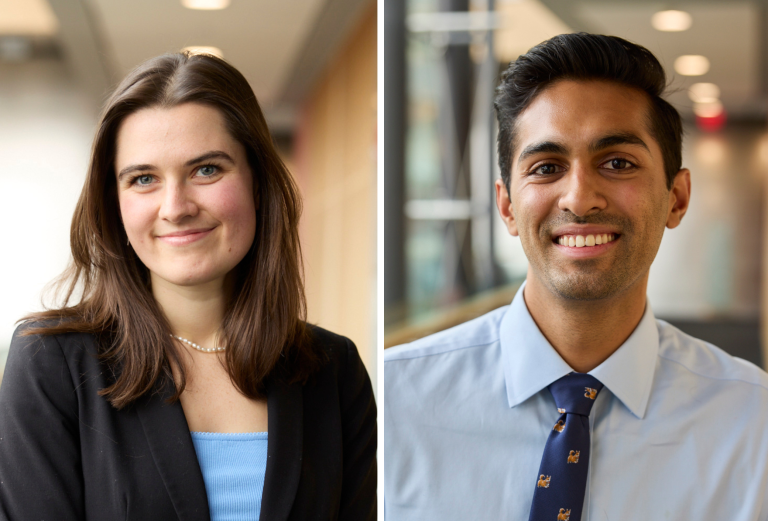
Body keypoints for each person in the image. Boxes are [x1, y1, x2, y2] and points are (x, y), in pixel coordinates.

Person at [384, 33, 768, 521]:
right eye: (547, 167)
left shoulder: (753, 424)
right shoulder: (395, 401)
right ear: (506, 206)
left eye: (617, 163)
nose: (579, 198)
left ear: (677, 198)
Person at [0, 52, 376, 521]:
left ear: (257, 183)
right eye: (143, 179)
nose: (175, 207)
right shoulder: (51, 366)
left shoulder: (333, 372)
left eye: (206, 170)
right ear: (113, 202)